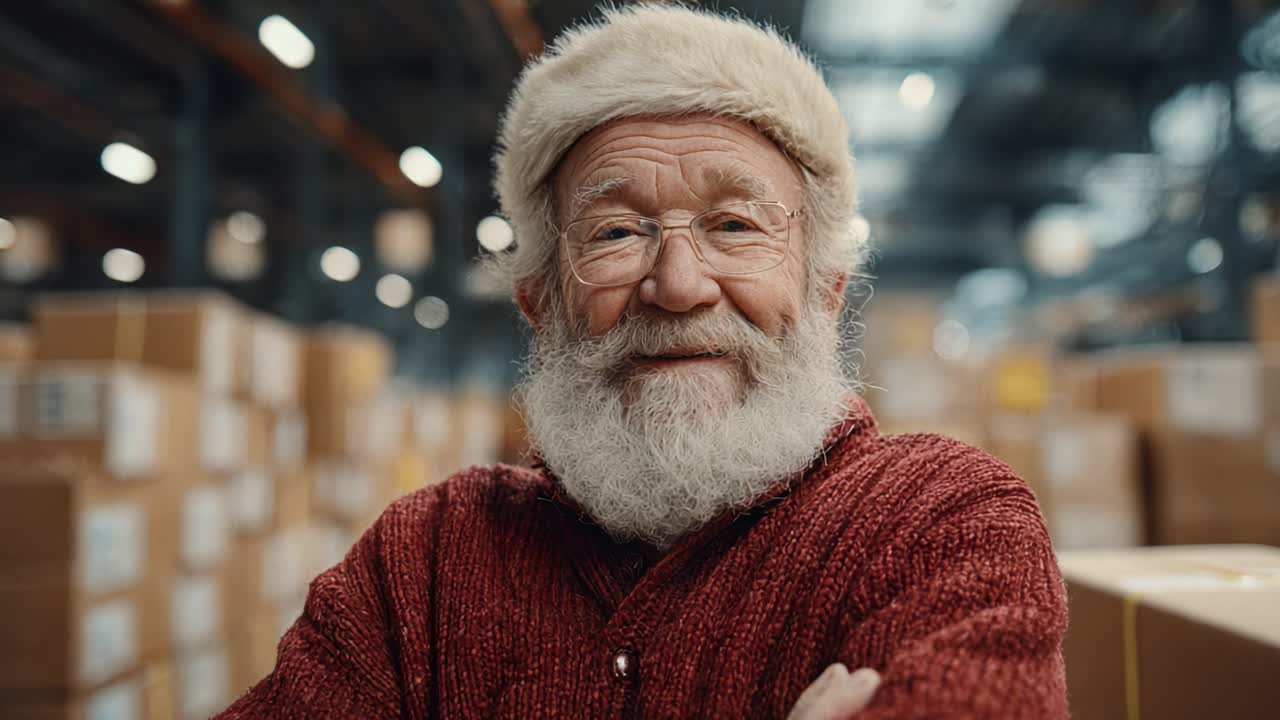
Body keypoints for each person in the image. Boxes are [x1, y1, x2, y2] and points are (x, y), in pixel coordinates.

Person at [218, 5, 1067, 718]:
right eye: (617, 233)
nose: (678, 284)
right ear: (540, 304)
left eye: (734, 225)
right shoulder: (422, 566)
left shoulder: (939, 526)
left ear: (826, 292)